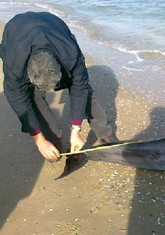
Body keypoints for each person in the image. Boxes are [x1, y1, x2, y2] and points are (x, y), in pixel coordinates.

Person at [0, 12, 117, 161]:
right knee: (33, 96)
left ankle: (105, 133)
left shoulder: (71, 54)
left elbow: (79, 88)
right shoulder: (14, 65)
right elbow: (19, 102)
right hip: (17, 28)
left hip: (53, 25)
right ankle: (53, 139)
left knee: (84, 90)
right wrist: (40, 141)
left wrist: (76, 131)